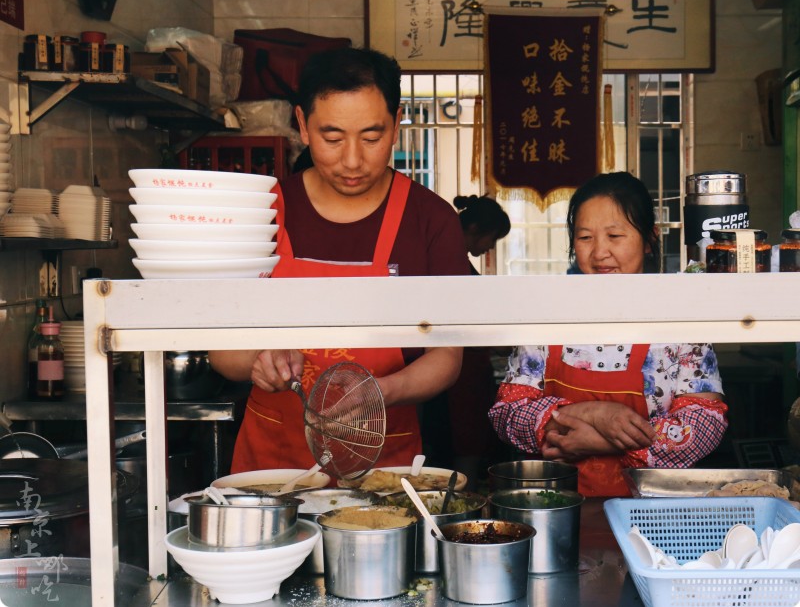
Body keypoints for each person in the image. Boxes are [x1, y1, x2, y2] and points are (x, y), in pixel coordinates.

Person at [209, 47, 472, 474]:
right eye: (332, 138)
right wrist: (261, 360)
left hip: (384, 462)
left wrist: (379, 393)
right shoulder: (261, 213)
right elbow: (222, 353)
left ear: (397, 122)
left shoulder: (430, 219)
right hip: (273, 467)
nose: (352, 160)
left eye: (371, 137)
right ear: (302, 126)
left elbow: (447, 356)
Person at [488, 172, 729, 497]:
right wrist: (593, 413)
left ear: (648, 239)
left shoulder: (678, 319)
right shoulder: (548, 315)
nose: (599, 252)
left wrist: (596, 440)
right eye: (585, 237)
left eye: (615, 236)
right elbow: (508, 411)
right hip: (555, 506)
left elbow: (704, 421)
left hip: (653, 510)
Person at [421, 195, 511, 486]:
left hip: (463, 364)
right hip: (462, 367)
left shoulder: (451, 260)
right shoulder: (452, 264)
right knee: (465, 437)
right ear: (473, 229)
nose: (489, 247)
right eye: (492, 238)